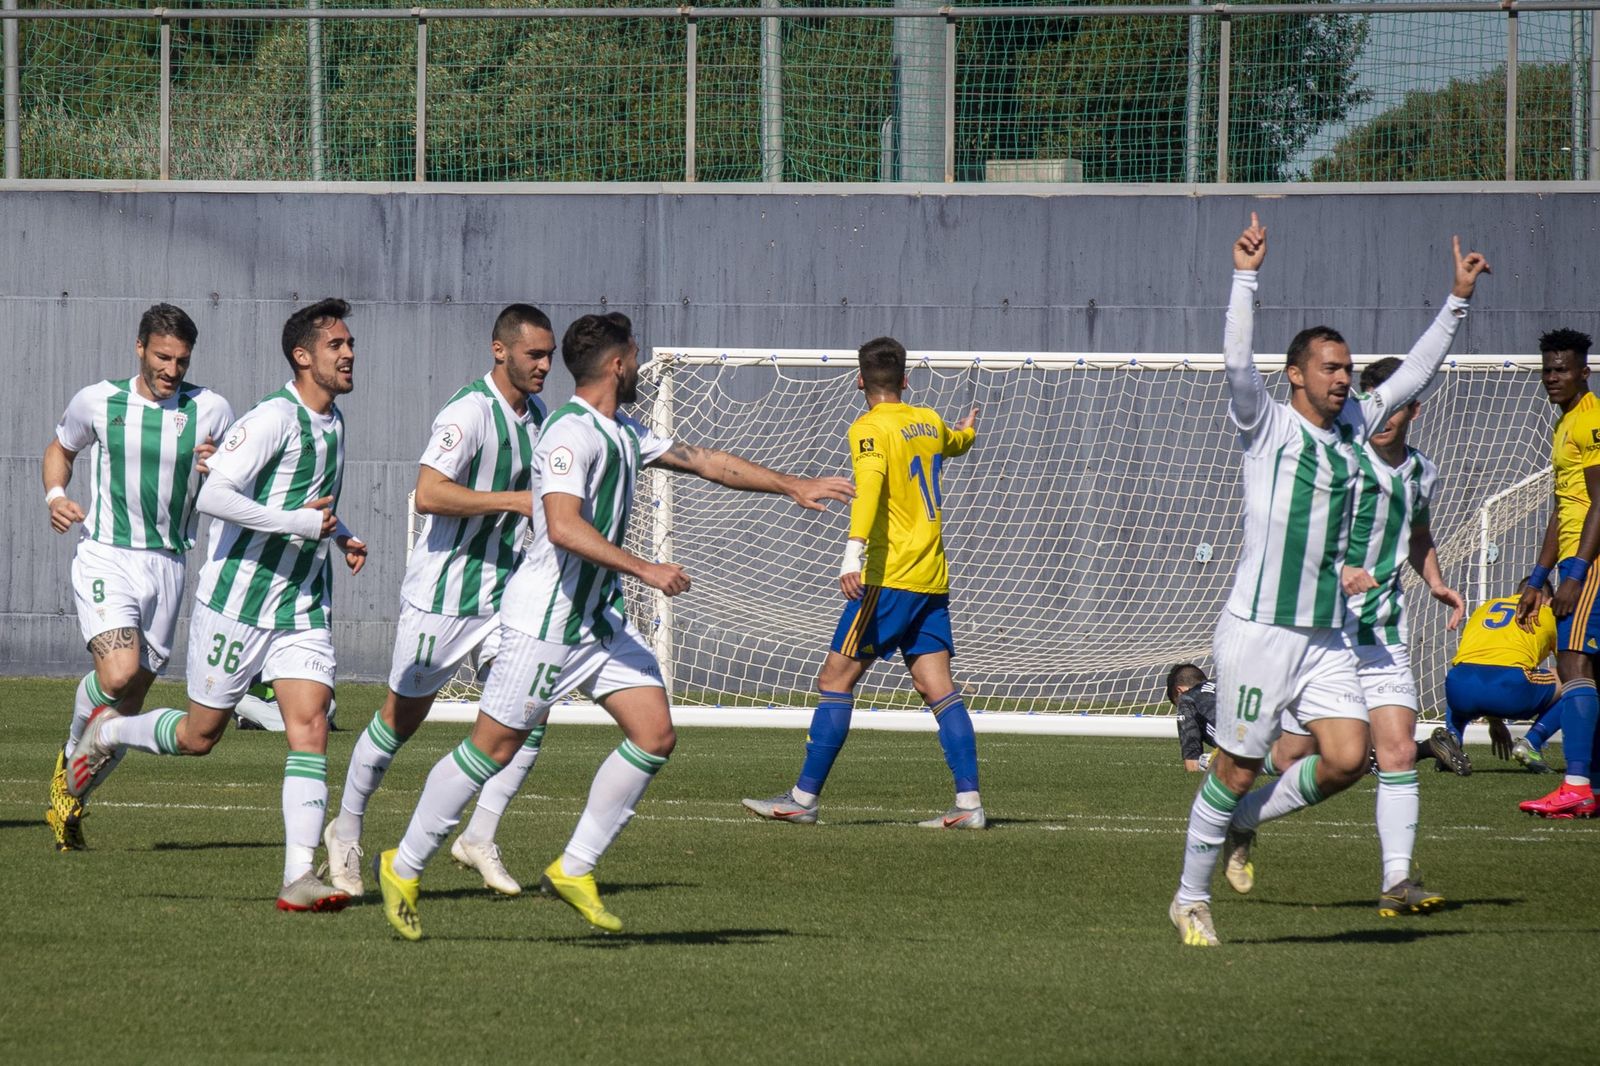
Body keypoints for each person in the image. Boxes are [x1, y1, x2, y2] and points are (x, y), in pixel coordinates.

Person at [375, 312, 853, 940]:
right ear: (620, 363)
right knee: (491, 749)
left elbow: (704, 460)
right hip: (545, 622)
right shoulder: (571, 433)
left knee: (654, 734)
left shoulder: (621, 429)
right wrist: (645, 568)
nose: (638, 365)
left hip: (597, 623)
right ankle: (402, 865)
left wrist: (791, 484)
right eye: (635, 355)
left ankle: (574, 867)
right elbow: (565, 526)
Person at [1169, 214, 1489, 947]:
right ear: (1298, 374)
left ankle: (1242, 826)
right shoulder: (1267, 425)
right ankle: (1190, 897)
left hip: (1327, 636)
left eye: (1347, 370)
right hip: (1260, 631)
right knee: (1237, 768)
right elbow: (1236, 361)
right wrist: (1244, 276)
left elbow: (1414, 372)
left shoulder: (1353, 430)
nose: (1344, 379)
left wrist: (1457, 300)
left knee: (1349, 757)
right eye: (1331, 368)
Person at [68, 299, 369, 912]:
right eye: (336, 345)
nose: (349, 353)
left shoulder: (333, 421)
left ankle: (297, 879)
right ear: (302, 356)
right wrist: (298, 524)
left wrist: (339, 535)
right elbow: (216, 499)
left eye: (350, 343)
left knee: (310, 728)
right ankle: (107, 733)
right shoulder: (269, 419)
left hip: (302, 605)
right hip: (236, 601)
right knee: (198, 736)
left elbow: (306, 506)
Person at [323, 304, 555, 900]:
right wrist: (510, 500)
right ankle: (345, 829)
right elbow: (427, 493)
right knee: (401, 720)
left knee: (529, 712)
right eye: (535, 354)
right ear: (499, 350)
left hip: (507, 597)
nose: (545, 365)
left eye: (550, 355)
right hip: (445, 598)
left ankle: (478, 835)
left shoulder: (541, 418)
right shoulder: (468, 411)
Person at [741, 336, 983, 828]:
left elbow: (867, 489)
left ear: (859, 380)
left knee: (835, 679)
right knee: (936, 685)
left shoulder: (868, 429)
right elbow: (955, 443)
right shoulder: (930, 420)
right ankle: (969, 806)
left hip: (888, 576)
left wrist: (851, 555)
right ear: (906, 379)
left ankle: (802, 801)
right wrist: (968, 433)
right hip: (931, 576)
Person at [43, 304, 235, 851]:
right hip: (107, 553)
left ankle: (71, 798)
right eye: (162, 357)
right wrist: (57, 496)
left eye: (181, 360)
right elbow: (60, 448)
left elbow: (239, 476)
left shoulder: (212, 409)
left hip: (170, 565)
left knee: (126, 709)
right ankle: (71, 751)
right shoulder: (98, 400)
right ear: (140, 348)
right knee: (120, 672)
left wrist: (219, 465)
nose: (171, 369)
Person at [1331, 356, 1466, 909]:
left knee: (1396, 753)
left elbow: (1418, 533)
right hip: (1323, 631)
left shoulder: (1421, 472)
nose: (1382, 413)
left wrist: (1435, 582)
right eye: (1373, 399)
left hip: (1383, 631)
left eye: (1394, 403)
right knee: (1304, 757)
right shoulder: (1338, 459)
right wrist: (1336, 568)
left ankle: (1396, 883)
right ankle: (1241, 817)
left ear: (1414, 409)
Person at [1515, 328, 1600, 818]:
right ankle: (1590, 786)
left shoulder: (1590, 421)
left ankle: (1576, 785)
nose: (1552, 377)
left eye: (1562, 369)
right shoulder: (1565, 422)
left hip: (1590, 560)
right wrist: (1536, 576)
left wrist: (1576, 573)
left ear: (1583, 372)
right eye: (1547, 369)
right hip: (1573, 558)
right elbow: (1564, 506)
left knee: (1573, 665)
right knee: (1589, 668)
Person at [1444, 595, 1562, 773]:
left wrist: (1495, 720)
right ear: (1547, 598)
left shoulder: (1485, 607)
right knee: (1579, 681)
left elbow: (1484, 665)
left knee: (1463, 676)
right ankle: (1532, 742)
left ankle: (1452, 739)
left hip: (1459, 688)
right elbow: (1571, 664)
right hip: (1511, 689)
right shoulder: (1547, 612)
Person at [1167, 664, 1216, 772]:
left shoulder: (1186, 699)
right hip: (1260, 735)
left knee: (1204, 761)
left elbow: (1192, 766)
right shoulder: (1222, 684)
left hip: (1250, 751)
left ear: (1179, 691)